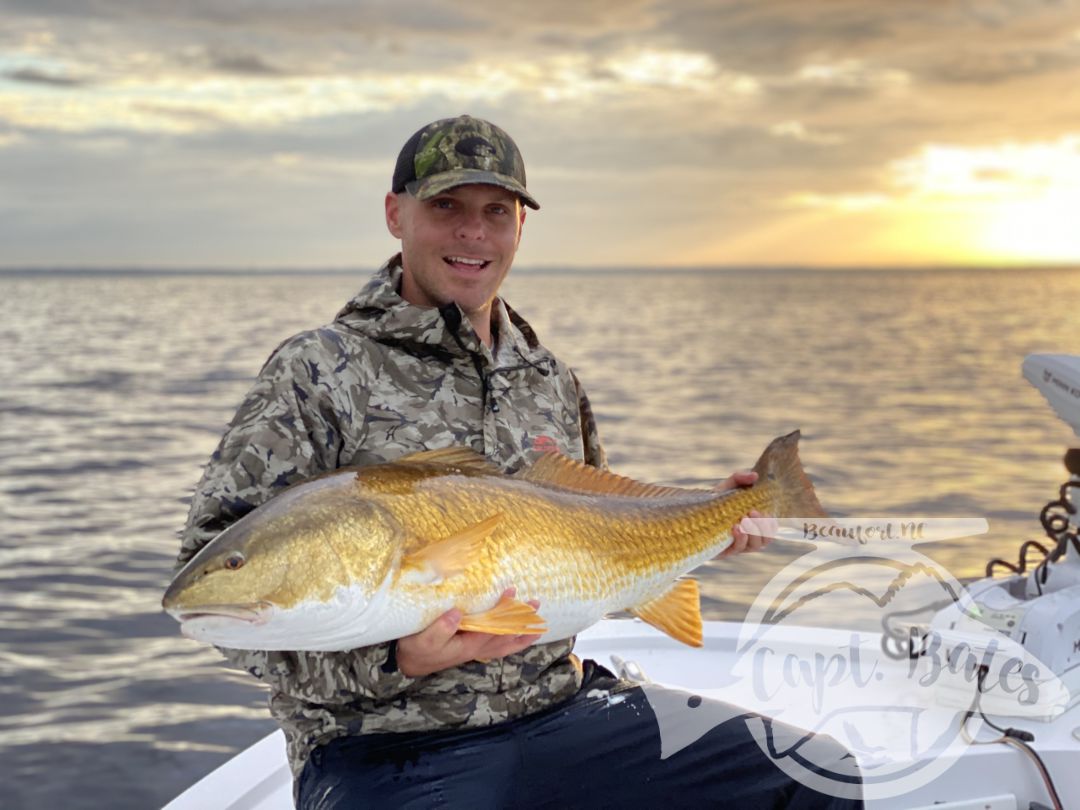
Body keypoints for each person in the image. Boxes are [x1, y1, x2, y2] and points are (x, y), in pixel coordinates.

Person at [175, 114, 862, 808]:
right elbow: (213, 592)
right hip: (384, 747)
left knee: (818, 778)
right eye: (446, 206)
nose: (473, 233)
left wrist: (706, 524)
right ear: (396, 214)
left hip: (564, 710)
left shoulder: (550, 380)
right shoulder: (316, 370)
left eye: (496, 212)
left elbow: (604, 536)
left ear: (519, 228)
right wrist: (391, 662)